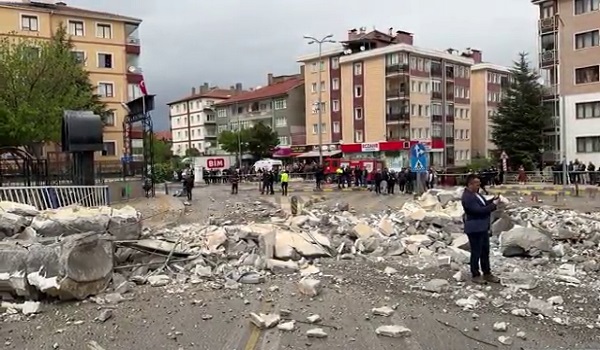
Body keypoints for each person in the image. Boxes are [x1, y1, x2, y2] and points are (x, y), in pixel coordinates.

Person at [461, 174, 500, 284]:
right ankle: (475, 274)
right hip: (474, 228)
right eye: (477, 184)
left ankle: (487, 273)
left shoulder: (476, 194)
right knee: (476, 252)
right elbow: (479, 211)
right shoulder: (467, 197)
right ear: (470, 184)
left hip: (482, 227)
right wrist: (493, 205)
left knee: (485, 251)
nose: (479, 185)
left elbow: (483, 205)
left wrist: (493, 200)